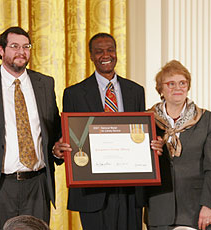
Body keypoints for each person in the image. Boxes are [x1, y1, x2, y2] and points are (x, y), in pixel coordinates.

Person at [53, 33, 163, 230]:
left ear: (116, 52)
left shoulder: (135, 90)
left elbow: (140, 132)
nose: (106, 55)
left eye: (110, 50)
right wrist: (58, 150)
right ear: (91, 56)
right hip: (92, 192)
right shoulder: (74, 94)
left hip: (130, 190)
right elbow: (68, 139)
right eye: (99, 51)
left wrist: (152, 145)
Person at [0, 26, 62, 230]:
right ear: (1, 50)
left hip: (38, 185)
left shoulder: (45, 83)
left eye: (26, 46)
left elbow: (55, 131)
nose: (21, 52)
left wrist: (57, 150)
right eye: (14, 46)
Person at [145, 60, 211, 230]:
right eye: (171, 83)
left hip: (196, 209)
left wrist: (208, 205)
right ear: (161, 89)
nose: (178, 88)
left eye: (183, 83)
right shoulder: (147, 120)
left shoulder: (206, 119)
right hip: (158, 207)